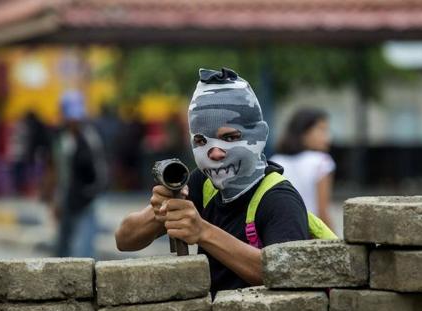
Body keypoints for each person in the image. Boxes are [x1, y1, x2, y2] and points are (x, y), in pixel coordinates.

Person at [115, 68, 310, 294]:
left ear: (259, 135)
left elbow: (286, 274)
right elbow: (124, 239)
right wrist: (158, 212)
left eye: (230, 138)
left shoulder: (279, 199)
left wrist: (203, 232)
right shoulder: (204, 184)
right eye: (201, 141)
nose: (215, 153)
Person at [52, 90, 108, 257]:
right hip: (66, 199)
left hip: (85, 200)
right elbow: (60, 171)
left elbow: (100, 172)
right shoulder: (62, 139)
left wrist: (90, 193)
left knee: (83, 251)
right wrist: (57, 198)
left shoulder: (89, 138)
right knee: (62, 248)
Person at [271, 108, 336, 228]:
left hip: (281, 229)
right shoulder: (321, 161)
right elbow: (322, 210)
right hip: (310, 231)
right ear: (303, 132)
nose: (327, 137)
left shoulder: (275, 161)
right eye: (321, 130)